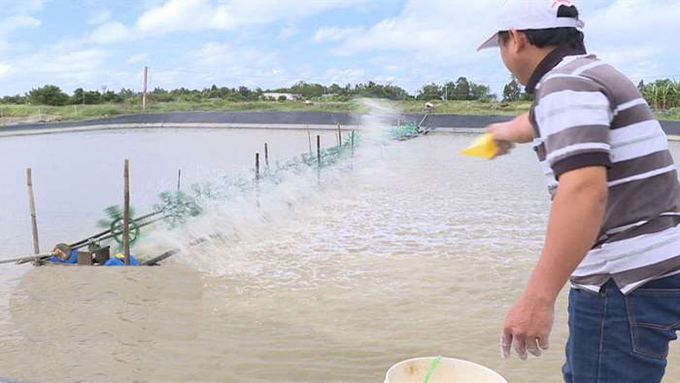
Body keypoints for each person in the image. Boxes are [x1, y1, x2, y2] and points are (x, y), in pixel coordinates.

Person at [478, 1, 680, 382]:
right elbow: (536, 121)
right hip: (657, 270)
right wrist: (503, 132)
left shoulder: (563, 86)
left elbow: (584, 192)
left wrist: (536, 299)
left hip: (619, 282)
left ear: (517, 39)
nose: (504, 55)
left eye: (501, 45)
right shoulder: (590, 74)